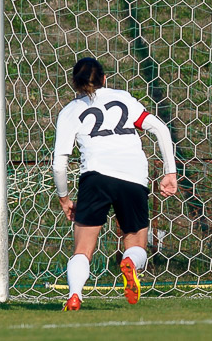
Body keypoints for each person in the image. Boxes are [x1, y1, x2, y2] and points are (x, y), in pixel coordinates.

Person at [52, 57, 178, 311]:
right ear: (104, 79)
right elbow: (161, 129)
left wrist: (64, 198)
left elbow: (58, 164)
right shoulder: (123, 98)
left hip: (95, 177)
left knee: (82, 249)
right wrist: (170, 172)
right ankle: (129, 262)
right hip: (133, 176)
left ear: (75, 84)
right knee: (136, 243)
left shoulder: (69, 112)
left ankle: (74, 295)